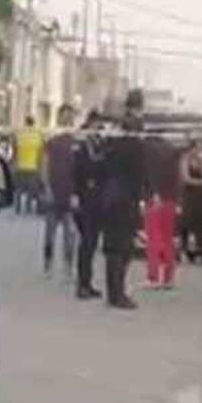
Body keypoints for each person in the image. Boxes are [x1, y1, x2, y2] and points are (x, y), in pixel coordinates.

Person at [100, 91, 146, 310]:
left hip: (111, 193)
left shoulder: (115, 130)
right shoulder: (133, 130)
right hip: (125, 195)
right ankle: (117, 294)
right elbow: (138, 164)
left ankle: (114, 292)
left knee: (114, 247)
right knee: (122, 247)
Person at [73, 112, 108, 300]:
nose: (98, 129)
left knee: (93, 242)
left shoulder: (101, 144)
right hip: (84, 196)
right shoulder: (81, 145)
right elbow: (74, 171)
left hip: (98, 197)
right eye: (96, 126)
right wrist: (74, 194)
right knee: (86, 242)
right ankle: (82, 285)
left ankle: (88, 283)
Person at [41, 106, 79, 279]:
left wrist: (76, 193)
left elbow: (80, 170)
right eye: (64, 117)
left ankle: (68, 266)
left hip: (69, 193)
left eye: (70, 117)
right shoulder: (52, 141)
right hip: (54, 192)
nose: (67, 120)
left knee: (70, 233)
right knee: (50, 232)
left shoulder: (76, 143)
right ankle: (48, 264)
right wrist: (47, 187)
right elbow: (45, 164)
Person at [143, 136, 181, 289]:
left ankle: (153, 276)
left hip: (154, 199)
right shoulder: (173, 160)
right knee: (168, 239)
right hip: (170, 199)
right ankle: (168, 277)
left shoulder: (150, 160)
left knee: (153, 239)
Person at [179, 141, 202, 262]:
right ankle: (184, 250)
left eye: (200, 148)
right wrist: (201, 182)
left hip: (200, 196)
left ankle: (199, 251)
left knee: (199, 222)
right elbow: (186, 178)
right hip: (189, 194)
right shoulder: (185, 159)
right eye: (197, 148)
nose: (198, 151)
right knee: (186, 222)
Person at [14, 116, 45, 215]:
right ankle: (28, 206)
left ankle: (18, 207)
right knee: (32, 188)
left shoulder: (20, 134)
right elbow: (41, 152)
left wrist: (15, 161)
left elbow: (15, 149)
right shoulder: (38, 135)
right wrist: (40, 165)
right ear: (33, 123)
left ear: (25, 122)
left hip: (20, 165)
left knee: (19, 188)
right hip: (33, 166)